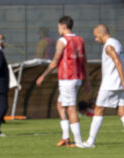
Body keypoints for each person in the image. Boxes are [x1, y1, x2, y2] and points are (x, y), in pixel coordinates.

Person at [84, 24, 124, 148]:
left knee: (98, 109)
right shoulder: (116, 42)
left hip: (110, 84)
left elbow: (117, 61)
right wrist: (123, 82)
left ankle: (90, 142)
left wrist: (123, 82)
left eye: (95, 36)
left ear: (101, 34)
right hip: (119, 84)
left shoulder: (108, 46)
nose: (95, 39)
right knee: (122, 111)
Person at [36, 16, 90, 148]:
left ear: (64, 26)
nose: (58, 29)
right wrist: (87, 80)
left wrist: (43, 75)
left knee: (71, 108)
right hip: (77, 78)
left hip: (67, 78)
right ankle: (66, 137)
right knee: (60, 105)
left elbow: (55, 62)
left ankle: (78, 142)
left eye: (58, 26)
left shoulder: (62, 41)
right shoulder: (80, 40)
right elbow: (84, 61)